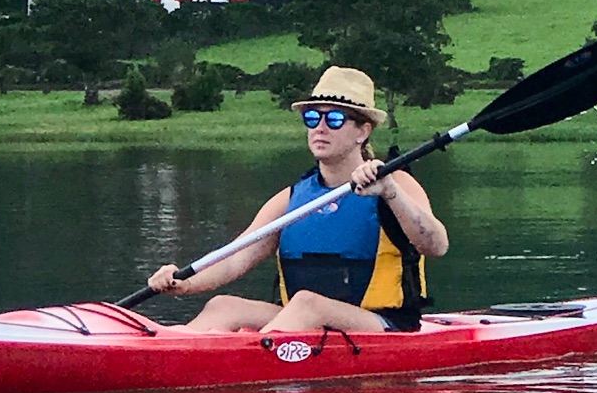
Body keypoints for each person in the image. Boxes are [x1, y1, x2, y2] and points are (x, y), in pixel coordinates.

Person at [145, 65, 449, 336]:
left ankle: (249, 361)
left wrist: (390, 192)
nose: (319, 127)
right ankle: (164, 351)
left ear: (362, 131)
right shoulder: (291, 199)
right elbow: (235, 258)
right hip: (303, 322)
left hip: (383, 325)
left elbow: (436, 246)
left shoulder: (397, 184)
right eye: (313, 117)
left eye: (335, 118)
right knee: (223, 306)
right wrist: (183, 282)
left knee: (307, 303)